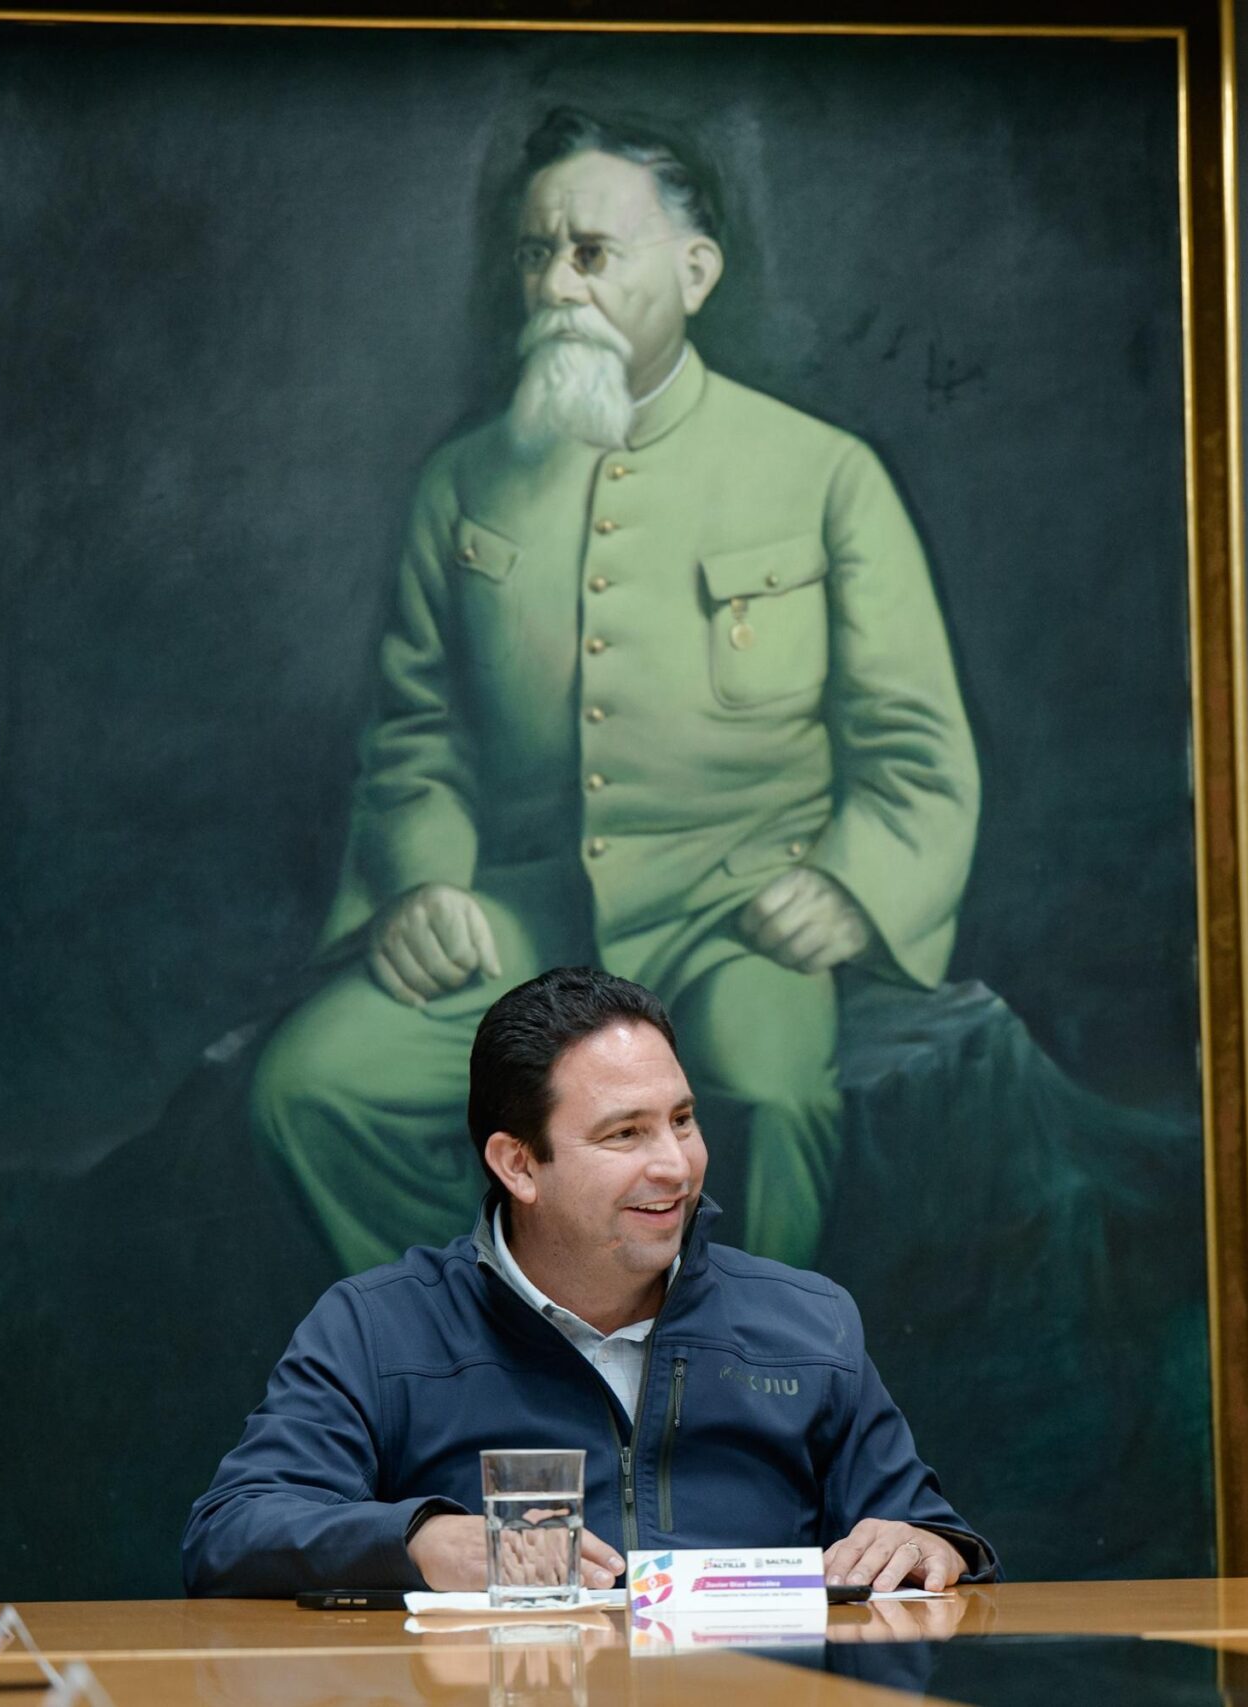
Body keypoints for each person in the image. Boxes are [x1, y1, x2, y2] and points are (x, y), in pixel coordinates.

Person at [251, 107, 978, 1272]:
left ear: (694, 273)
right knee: (313, 1085)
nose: (555, 285)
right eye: (536, 254)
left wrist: (853, 884)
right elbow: (418, 735)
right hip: (527, 916)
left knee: (770, 1095)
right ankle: (493, 1346)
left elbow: (915, 747)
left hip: (737, 914)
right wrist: (423, 881)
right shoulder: (462, 482)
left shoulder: (823, 474)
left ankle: (732, 1379)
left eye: (590, 252)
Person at [186, 967, 995, 1597]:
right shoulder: (376, 1327)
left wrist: (928, 1544)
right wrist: (419, 1539)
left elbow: (925, 1533)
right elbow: (231, 1532)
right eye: (625, 1133)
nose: (676, 1165)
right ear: (518, 1164)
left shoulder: (810, 1321)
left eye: (682, 1119)